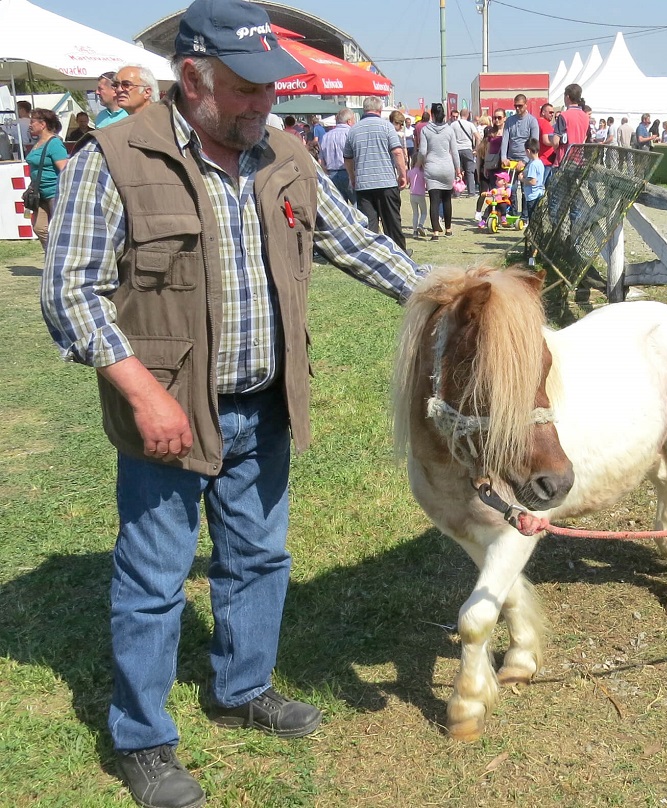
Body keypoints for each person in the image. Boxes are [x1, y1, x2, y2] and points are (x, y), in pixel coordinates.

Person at [39, 1, 428, 806]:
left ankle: (242, 688)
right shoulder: (112, 158)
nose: (264, 106)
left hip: (266, 405)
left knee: (258, 558)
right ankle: (143, 738)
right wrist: (145, 395)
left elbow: (356, 243)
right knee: (154, 577)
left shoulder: (286, 156)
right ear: (193, 79)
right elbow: (70, 295)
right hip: (169, 415)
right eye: (246, 90)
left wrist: (455, 298)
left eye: (270, 90)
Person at [344, 95, 408, 252]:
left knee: (369, 226)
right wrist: (402, 175)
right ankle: (399, 254)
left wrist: (353, 177)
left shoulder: (353, 130)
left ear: (364, 109)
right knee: (392, 223)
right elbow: (398, 153)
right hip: (386, 182)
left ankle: (373, 256)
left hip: (364, 184)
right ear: (380, 110)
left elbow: (347, 158)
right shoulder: (387, 127)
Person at [26, 108, 68, 251]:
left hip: (54, 194)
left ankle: (60, 261)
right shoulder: (38, 143)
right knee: (39, 228)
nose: (29, 125)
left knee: (59, 230)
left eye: (32, 122)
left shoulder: (54, 144)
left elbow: (65, 170)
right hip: (39, 193)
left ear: (42, 124)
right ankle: (52, 256)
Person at [418, 101, 460, 240]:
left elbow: (423, 151)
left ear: (432, 114)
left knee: (434, 201)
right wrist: (458, 169)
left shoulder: (425, 130)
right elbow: (454, 152)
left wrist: (421, 163)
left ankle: (435, 232)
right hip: (447, 168)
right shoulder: (449, 130)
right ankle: (448, 229)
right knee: (447, 200)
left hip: (432, 167)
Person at [500, 94, 539, 212]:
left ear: (526, 105)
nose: (517, 108)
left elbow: (534, 143)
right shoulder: (510, 121)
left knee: (525, 190)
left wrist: (525, 161)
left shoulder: (532, 121)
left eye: (520, 106)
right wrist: (503, 157)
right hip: (511, 160)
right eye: (515, 106)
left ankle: (525, 215)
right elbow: (505, 139)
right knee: (510, 188)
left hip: (526, 160)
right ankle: (513, 213)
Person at [318, 107, 355, 203]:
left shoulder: (326, 136)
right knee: (357, 204)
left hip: (332, 173)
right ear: (349, 121)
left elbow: (321, 160)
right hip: (348, 172)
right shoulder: (351, 133)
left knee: (340, 208)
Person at [552, 83, 590, 167]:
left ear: (567, 97)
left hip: (563, 159)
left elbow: (555, 141)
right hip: (578, 160)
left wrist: (556, 149)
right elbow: (585, 137)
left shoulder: (563, 116)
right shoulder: (585, 117)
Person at [451, 108, 478, 196]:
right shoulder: (470, 124)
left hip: (456, 149)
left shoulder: (453, 124)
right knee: (470, 171)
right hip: (467, 149)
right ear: (468, 115)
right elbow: (478, 137)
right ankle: (471, 192)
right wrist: (476, 149)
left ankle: (457, 192)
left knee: (458, 171)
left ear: (459, 114)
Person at [522, 138, 545, 224]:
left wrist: (522, 179)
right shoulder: (539, 162)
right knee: (538, 220)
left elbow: (533, 182)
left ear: (528, 151)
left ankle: (533, 236)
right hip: (539, 194)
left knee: (533, 221)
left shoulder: (533, 165)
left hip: (532, 196)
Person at [407, 155, 427, 238]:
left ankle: (415, 232)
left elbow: (408, 181)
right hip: (421, 194)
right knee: (424, 212)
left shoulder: (410, 172)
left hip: (412, 194)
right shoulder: (423, 172)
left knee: (415, 213)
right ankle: (420, 225)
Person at [537, 103, 556, 184]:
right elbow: (545, 140)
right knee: (543, 186)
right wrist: (556, 143)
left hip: (539, 158)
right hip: (546, 159)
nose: (552, 114)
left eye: (553, 112)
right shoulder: (545, 123)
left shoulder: (536, 122)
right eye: (550, 112)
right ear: (543, 112)